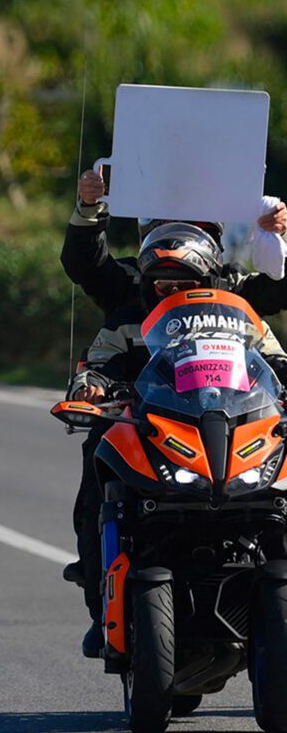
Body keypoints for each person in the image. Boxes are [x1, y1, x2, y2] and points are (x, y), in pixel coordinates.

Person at [67, 222, 287, 658]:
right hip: (154, 432)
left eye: (184, 284)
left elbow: (277, 363)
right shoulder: (126, 320)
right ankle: (99, 605)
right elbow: (97, 366)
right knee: (99, 464)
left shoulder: (241, 314)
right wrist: (89, 387)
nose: (172, 292)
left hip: (236, 431)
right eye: (162, 284)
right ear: (146, 283)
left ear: (207, 280)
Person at [61, 168, 287, 317]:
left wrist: (279, 232)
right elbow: (84, 264)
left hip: (218, 379)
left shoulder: (230, 285)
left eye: (188, 287)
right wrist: (89, 206)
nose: (176, 292)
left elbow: (280, 290)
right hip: (140, 379)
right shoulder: (129, 280)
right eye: (164, 286)